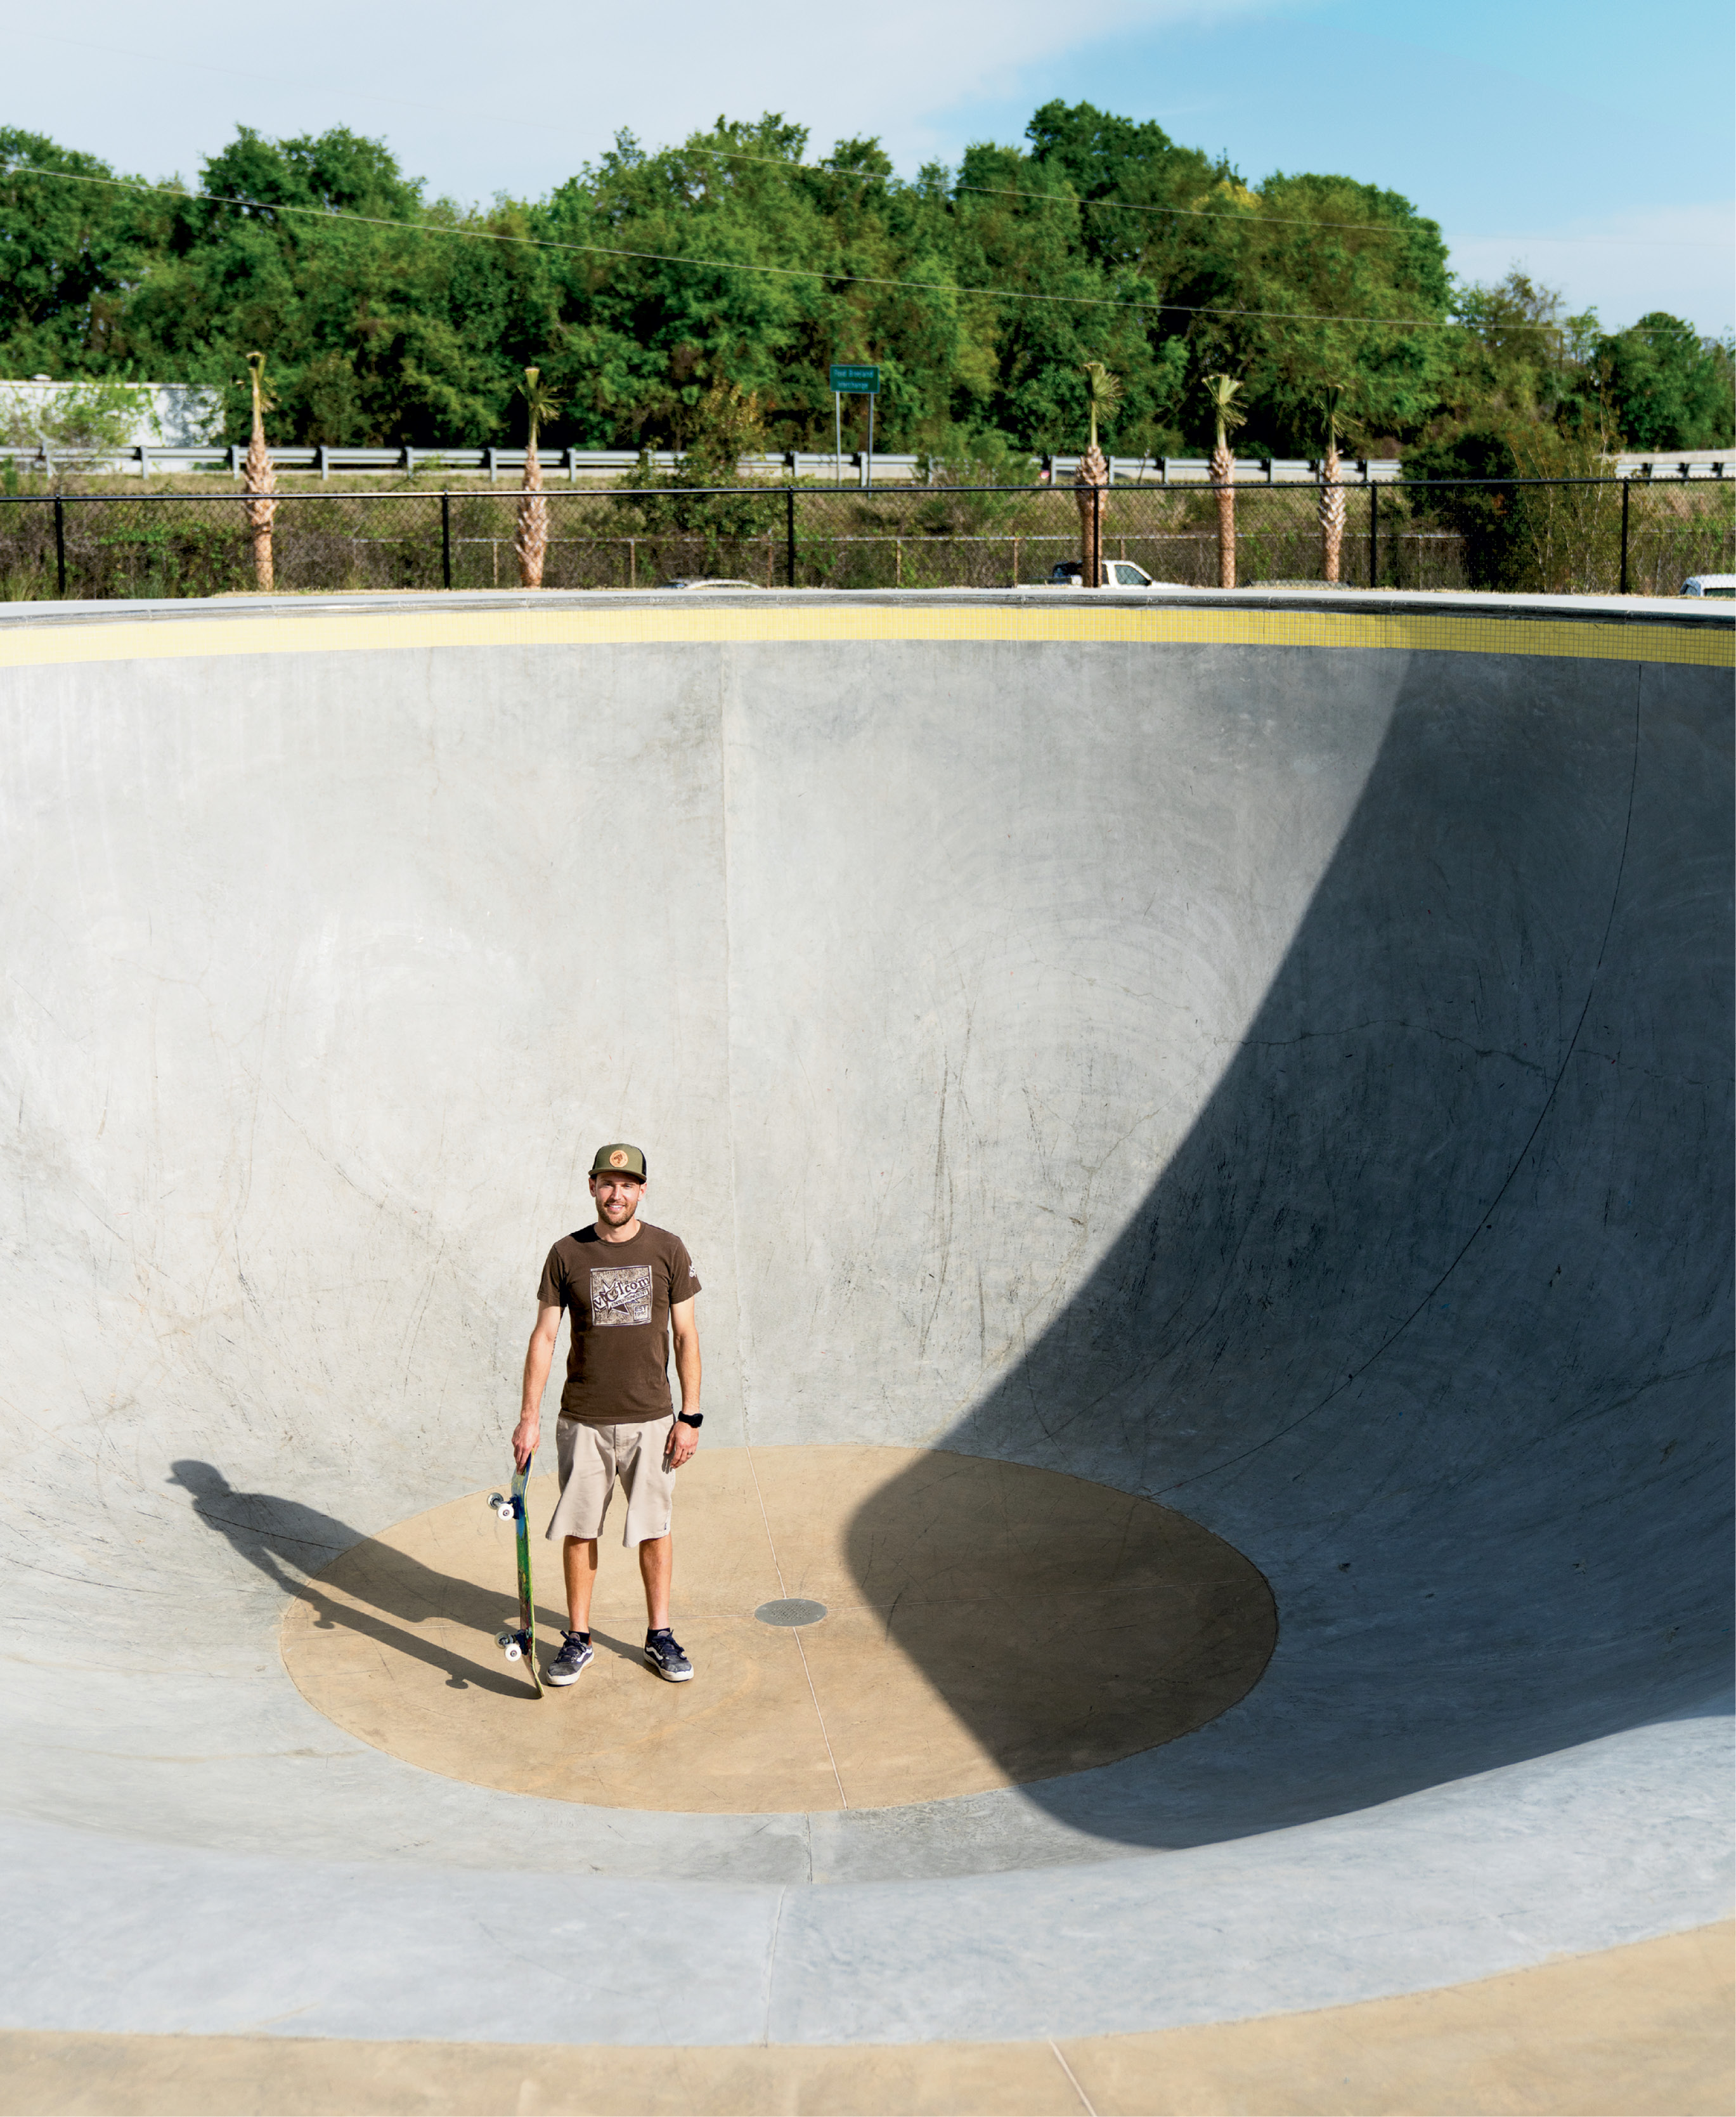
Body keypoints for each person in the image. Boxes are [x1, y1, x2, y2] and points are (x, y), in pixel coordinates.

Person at [512, 1143, 703, 1686]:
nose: (616, 1194)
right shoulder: (567, 1254)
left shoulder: (668, 1249)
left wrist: (690, 1417)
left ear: (642, 1190)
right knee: (580, 1529)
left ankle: (659, 1635)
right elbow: (545, 1337)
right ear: (592, 1186)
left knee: (654, 1529)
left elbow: (687, 1335)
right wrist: (529, 1416)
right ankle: (578, 1637)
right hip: (584, 1419)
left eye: (627, 1184)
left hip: (651, 1419)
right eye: (607, 1183)